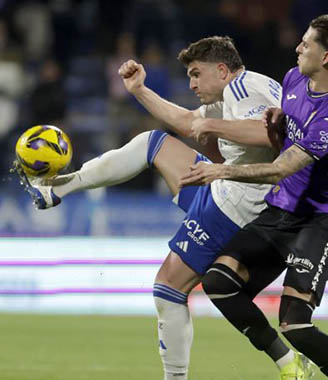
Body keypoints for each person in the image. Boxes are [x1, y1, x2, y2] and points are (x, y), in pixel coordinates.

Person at [17, 36, 313, 379]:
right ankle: (60, 187)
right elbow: (188, 122)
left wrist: (211, 126)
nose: (192, 83)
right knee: (153, 143)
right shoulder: (235, 92)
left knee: (169, 288)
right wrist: (140, 90)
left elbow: (269, 133)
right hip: (225, 188)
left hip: (238, 206)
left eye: (196, 74)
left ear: (221, 70)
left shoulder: (246, 89)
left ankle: (214, 373)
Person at [180, 14, 328, 380]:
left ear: (327, 57)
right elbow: (288, 122)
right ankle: (290, 365)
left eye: (306, 43)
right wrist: (279, 119)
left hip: (320, 217)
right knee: (219, 283)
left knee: (295, 324)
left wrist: (221, 170)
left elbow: (282, 168)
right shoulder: (294, 79)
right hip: (282, 208)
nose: (298, 47)